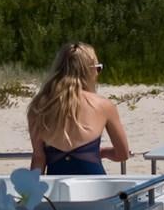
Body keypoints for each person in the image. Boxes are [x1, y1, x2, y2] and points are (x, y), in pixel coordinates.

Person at [27, 42, 129, 175]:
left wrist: (31, 191)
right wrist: (101, 152)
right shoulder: (103, 105)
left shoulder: (39, 106)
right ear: (89, 71)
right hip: (94, 185)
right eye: (98, 68)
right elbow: (122, 154)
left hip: (56, 186)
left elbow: (39, 158)